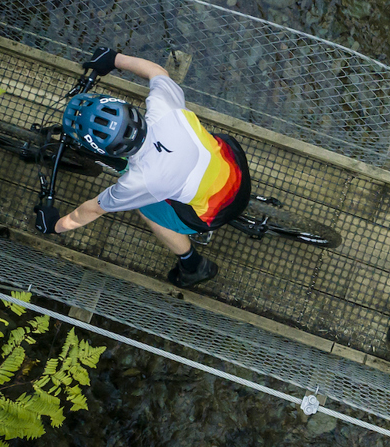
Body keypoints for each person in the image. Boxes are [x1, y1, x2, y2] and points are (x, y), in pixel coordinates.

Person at [34, 48, 250, 288]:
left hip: (218, 209)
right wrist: (113, 59)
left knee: (146, 205)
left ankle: (193, 265)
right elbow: (156, 71)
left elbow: (93, 210)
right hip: (234, 164)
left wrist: (55, 226)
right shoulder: (163, 106)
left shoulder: (140, 182)